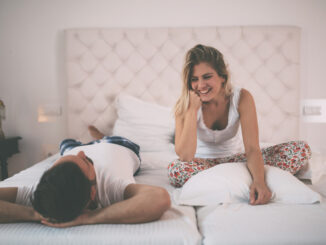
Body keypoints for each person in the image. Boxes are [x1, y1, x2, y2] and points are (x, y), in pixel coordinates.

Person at [168, 44, 311, 205]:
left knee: (300, 149)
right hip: (201, 164)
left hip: (238, 160)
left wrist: (259, 181)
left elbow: (252, 148)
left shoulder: (241, 97)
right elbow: (185, 156)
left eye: (207, 77)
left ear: (223, 76)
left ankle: (232, 179)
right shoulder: (185, 104)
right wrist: (192, 111)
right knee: (176, 170)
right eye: (194, 79)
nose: (200, 85)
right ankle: (240, 178)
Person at [0, 126, 171, 227]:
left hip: (73, 152)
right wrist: (35, 214)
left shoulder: (44, 186)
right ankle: (100, 139)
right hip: (118, 146)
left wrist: (32, 214)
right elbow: (159, 198)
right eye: (87, 162)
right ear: (92, 193)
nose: (83, 154)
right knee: (71, 145)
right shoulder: (111, 184)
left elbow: (160, 198)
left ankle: (98, 137)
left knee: (67, 145)